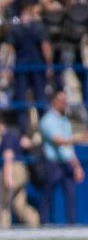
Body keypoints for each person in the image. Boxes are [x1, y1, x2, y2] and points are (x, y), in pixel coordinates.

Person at [38, 91, 87, 224]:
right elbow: (59, 142)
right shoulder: (47, 120)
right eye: (62, 100)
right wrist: (80, 138)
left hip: (66, 162)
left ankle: (71, 225)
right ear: (54, 101)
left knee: (71, 195)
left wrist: (77, 166)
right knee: (47, 195)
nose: (65, 103)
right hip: (52, 162)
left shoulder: (65, 121)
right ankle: (44, 224)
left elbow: (68, 149)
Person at [0, 113, 39, 229]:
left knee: (3, 202)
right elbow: (27, 143)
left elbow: (8, 156)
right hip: (22, 170)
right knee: (19, 203)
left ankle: (3, 228)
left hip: (13, 169)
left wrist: (7, 176)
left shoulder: (6, 136)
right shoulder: (16, 134)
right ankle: (34, 222)